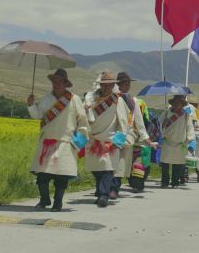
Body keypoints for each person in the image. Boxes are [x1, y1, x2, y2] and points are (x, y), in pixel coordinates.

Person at [27, 68, 89, 212]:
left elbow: (83, 121)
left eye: (60, 81)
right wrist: (31, 105)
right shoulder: (46, 99)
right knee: (42, 176)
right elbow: (37, 115)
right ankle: (44, 199)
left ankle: (58, 203)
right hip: (47, 143)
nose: (57, 84)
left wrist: (79, 141)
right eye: (55, 81)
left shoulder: (74, 99)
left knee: (62, 177)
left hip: (66, 143)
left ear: (65, 84)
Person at [82, 70, 125, 207]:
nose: (106, 87)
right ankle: (101, 190)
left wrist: (118, 141)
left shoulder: (118, 100)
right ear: (100, 85)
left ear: (113, 85)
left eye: (109, 85)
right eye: (104, 84)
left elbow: (123, 122)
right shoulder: (91, 98)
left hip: (109, 139)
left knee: (107, 169)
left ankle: (103, 195)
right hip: (93, 139)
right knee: (96, 168)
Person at [114, 72, 158, 195]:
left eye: (128, 83)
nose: (127, 86)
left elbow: (140, 121)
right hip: (114, 135)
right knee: (114, 163)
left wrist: (146, 138)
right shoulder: (112, 98)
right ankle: (109, 187)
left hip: (130, 136)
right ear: (118, 84)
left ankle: (128, 185)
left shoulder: (134, 101)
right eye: (124, 83)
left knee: (129, 163)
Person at [158, 95, 195, 188]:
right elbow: (159, 123)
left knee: (177, 164)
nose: (177, 104)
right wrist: (164, 123)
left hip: (179, 143)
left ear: (182, 104)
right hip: (167, 142)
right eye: (176, 102)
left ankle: (175, 182)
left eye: (179, 103)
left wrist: (189, 139)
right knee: (165, 163)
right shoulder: (166, 113)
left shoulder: (185, 114)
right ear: (173, 103)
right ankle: (165, 181)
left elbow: (189, 127)